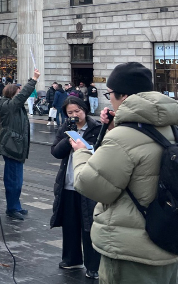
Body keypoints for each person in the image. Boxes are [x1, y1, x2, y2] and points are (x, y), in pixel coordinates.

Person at [72, 62, 178, 283]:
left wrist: (81, 153)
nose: (109, 98)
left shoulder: (123, 137)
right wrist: (112, 127)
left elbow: (91, 184)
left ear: (123, 96)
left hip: (132, 251)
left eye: (109, 93)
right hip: (169, 241)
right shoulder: (172, 129)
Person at [49, 96, 101, 280]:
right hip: (69, 184)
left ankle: (93, 265)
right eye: (70, 113)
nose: (74, 115)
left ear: (84, 110)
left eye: (77, 111)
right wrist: (68, 136)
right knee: (70, 224)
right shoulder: (65, 128)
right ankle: (71, 259)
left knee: (89, 225)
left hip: (89, 184)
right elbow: (55, 152)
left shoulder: (97, 128)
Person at [0, 69, 40, 221]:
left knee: (17, 181)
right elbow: (22, 96)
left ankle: (16, 206)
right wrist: (33, 79)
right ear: (13, 93)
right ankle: (12, 208)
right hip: (12, 146)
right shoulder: (9, 106)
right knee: (13, 180)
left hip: (17, 146)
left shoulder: (16, 107)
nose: (21, 95)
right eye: (18, 92)